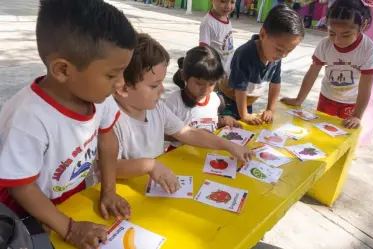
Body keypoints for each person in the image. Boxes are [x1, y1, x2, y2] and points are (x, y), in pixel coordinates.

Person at [0, 0, 137, 248]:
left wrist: (109, 190)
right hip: (20, 209)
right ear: (63, 69)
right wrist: (70, 229)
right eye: (111, 74)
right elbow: (21, 187)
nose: (120, 84)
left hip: (65, 193)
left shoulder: (99, 96)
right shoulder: (28, 118)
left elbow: (107, 138)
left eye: (122, 72)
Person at [111, 34, 253, 194]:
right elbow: (110, 167)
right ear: (123, 88)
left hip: (153, 188)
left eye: (162, 83)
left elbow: (188, 133)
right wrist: (150, 165)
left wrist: (228, 145)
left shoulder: (157, 109)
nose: (163, 90)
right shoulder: (109, 120)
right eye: (155, 85)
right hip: (122, 195)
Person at [282, 0, 373, 129]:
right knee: (321, 132)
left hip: (351, 103)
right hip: (326, 98)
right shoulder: (325, 44)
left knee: (344, 134)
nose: (337, 40)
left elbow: (365, 87)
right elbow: (312, 73)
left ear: (363, 25)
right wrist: (299, 99)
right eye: (332, 33)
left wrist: (357, 116)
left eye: (346, 35)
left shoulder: (368, 50)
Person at [218, 4, 305, 125]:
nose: (283, 55)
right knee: (229, 130)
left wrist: (270, 109)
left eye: (289, 51)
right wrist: (244, 115)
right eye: (279, 49)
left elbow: (275, 84)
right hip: (228, 101)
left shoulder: (276, 57)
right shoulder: (245, 54)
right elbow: (240, 88)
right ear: (263, 34)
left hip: (247, 102)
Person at [165, 46, 240, 150]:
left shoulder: (214, 99)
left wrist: (223, 121)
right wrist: (193, 136)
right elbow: (162, 133)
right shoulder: (175, 101)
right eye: (199, 83)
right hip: (180, 156)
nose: (205, 90)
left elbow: (210, 120)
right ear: (183, 75)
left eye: (211, 84)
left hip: (205, 155)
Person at [199, 0, 236, 76]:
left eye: (232, 2)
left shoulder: (225, 16)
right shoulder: (208, 23)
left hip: (229, 69)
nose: (228, 6)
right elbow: (204, 51)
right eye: (223, 1)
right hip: (218, 73)